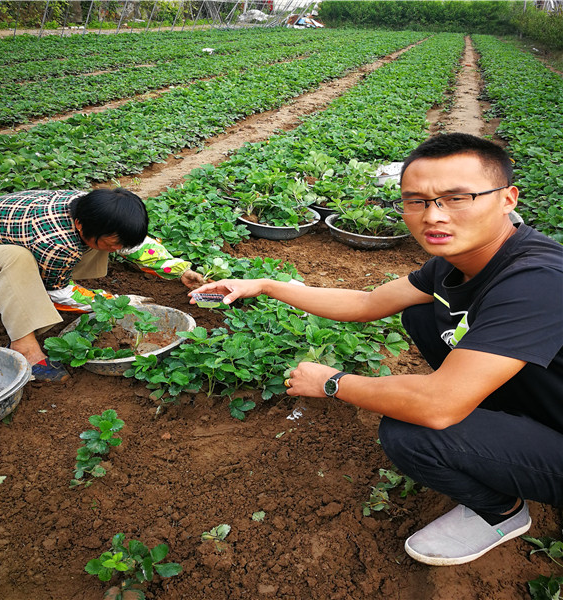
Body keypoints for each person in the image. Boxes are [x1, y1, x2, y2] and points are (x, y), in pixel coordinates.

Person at [189, 133, 563, 566]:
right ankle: (498, 419)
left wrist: (332, 382)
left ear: (507, 199)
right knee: (423, 316)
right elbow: (367, 303)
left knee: (413, 431)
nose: (433, 216)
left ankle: (502, 512)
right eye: (417, 201)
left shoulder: (537, 280)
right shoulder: (456, 262)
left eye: (458, 198)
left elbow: (437, 408)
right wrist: (265, 285)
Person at [0, 188, 204, 382]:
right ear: (79, 224)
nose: (116, 250)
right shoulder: (57, 244)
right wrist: (116, 303)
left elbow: (130, 242)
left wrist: (178, 269)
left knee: (98, 243)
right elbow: (59, 293)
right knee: (16, 260)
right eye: (112, 245)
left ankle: (54, 268)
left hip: (0, 233)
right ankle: (25, 349)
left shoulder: (90, 207)